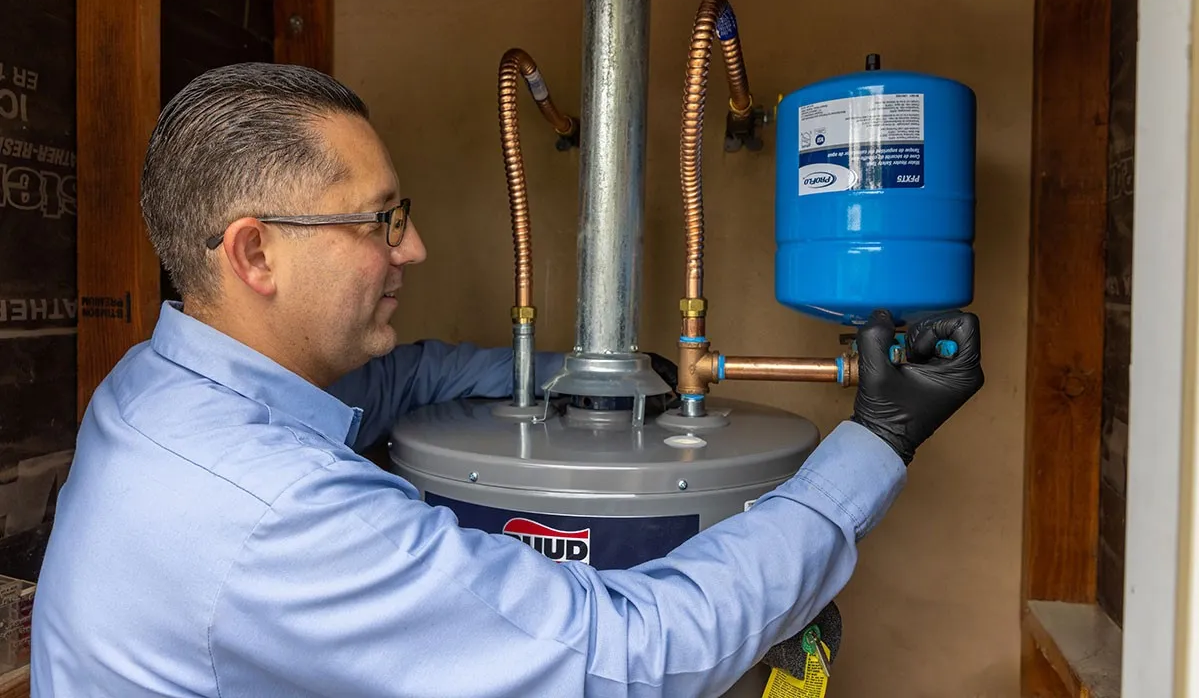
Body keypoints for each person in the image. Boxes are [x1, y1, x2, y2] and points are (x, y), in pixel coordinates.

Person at [29, 62, 984, 698]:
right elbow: (622, 653)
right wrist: (876, 440)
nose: (416, 247)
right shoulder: (280, 510)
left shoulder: (157, 384)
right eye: (380, 221)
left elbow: (397, 382)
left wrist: (582, 372)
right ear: (256, 254)